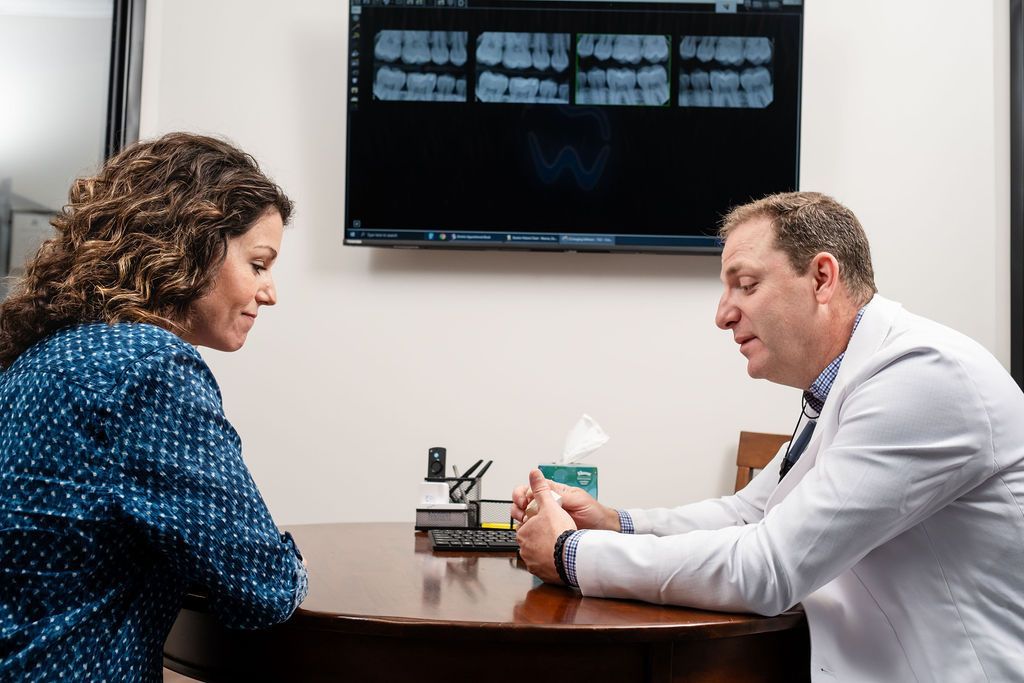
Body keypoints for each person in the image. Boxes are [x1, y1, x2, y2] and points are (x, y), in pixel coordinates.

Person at [513, 191, 1024, 681]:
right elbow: (750, 513)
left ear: (822, 278)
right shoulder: (850, 382)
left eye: (747, 285)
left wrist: (570, 553)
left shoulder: (922, 376)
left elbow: (768, 567)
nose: (723, 314)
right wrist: (613, 523)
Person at [0, 132, 308, 681]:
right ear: (195, 244)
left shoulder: (49, 353)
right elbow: (263, 588)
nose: (270, 292)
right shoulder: (147, 364)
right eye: (258, 264)